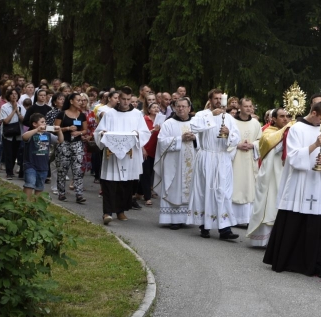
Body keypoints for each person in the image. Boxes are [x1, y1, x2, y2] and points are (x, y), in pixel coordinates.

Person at [263, 100, 321, 278]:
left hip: (317, 182)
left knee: (317, 224)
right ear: (314, 113)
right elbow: (293, 157)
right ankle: (287, 259)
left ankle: (317, 263)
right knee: (294, 222)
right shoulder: (296, 129)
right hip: (300, 182)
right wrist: (314, 145)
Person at [94, 87, 150, 225]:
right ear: (118, 98)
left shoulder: (137, 114)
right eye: (123, 99)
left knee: (126, 184)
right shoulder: (110, 114)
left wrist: (138, 134)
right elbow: (98, 131)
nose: (126, 102)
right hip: (111, 156)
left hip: (129, 156)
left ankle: (121, 210)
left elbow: (145, 132)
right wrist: (102, 134)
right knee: (110, 183)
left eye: (128, 99)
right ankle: (107, 212)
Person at [189, 89, 240, 241]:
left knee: (223, 192)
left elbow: (236, 138)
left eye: (220, 98)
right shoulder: (202, 115)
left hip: (222, 158)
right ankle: (204, 226)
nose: (218, 101)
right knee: (205, 191)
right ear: (210, 100)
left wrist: (229, 132)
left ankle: (225, 229)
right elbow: (194, 127)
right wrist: (212, 115)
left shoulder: (229, 118)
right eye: (215, 98)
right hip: (206, 156)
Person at [153, 97, 199, 229]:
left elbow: (204, 141)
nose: (181, 109)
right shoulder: (168, 123)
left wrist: (195, 138)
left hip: (192, 164)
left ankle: (187, 218)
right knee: (174, 188)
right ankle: (174, 219)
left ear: (189, 108)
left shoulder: (196, 123)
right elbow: (161, 142)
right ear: (174, 108)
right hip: (174, 164)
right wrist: (180, 139)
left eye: (184, 106)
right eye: (178, 106)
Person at [248, 107, 291, 248]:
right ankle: (264, 239)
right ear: (273, 119)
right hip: (271, 174)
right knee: (270, 202)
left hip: (286, 172)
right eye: (282, 116)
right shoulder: (268, 132)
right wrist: (284, 134)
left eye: (288, 116)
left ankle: (279, 240)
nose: (285, 119)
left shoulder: (293, 132)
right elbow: (271, 149)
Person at [230, 98, 262, 229]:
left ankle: (247, 218)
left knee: (249, 187)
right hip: (235, 159)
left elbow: (260, 140)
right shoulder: (232, 122)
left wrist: (253, 145)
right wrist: (237, 145)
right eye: (246, 106)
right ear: (239, 107)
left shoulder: (255, 123)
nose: (249, 108)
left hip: (249, 159)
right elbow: (225, 140)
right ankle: (233, 218)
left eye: (250, 106)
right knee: (235, 185)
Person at [55, 94, 89, 203]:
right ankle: (61, 193)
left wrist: (79, 132)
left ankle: (79, 194)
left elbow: (85, 130)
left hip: (77, 144)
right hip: (63, 143)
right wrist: (67, 128)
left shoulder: (82, 115)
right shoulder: (62, 114)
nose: (81, 102)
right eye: (78, 100)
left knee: (78, 169)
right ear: (71, 101)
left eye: (82, 100)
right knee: (62, 169)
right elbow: (55, 129)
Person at [20, 113, 54, 199]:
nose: (44, 124)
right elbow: (24, 137)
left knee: (39, 186)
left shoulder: (47, 134)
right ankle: (25, 203)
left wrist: (59, 131)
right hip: (30, 164)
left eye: (45, 122)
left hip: (43, 166)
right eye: (42, 122)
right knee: (30, 184)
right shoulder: (31, 134)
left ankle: (36, 205)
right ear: (34, 124)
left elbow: (60, 140)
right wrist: (37, 130)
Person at [0, 86, 23, 179]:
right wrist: (13, 110)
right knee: (8, 153)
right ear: (8, 96)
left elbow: (23, 120)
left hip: (17, 133)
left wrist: (18, 111)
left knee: (15, 153)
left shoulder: (21, 107)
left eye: (16, 94)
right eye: (12, 94)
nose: (14, 96)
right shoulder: (4, 107)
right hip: (7, 133)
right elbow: (5, 121)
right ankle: (9, 172)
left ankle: (11, 169)